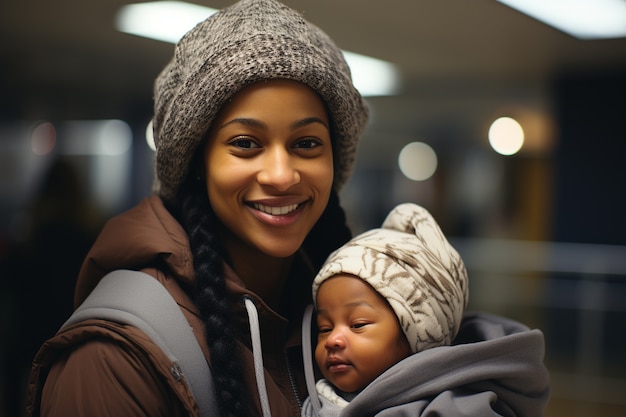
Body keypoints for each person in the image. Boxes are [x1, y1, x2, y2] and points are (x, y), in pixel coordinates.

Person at [24, 0, 368, 416]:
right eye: (245, 143)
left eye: (307, 144)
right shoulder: (114, 360)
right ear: (197, 163)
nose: (281, 175)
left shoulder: (343, 325)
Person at [301, 203, 550, 417]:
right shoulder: (320, 398)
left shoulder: (457, 409)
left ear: (419, 333)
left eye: (358, 324)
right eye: (324, 327)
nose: (332, 339)